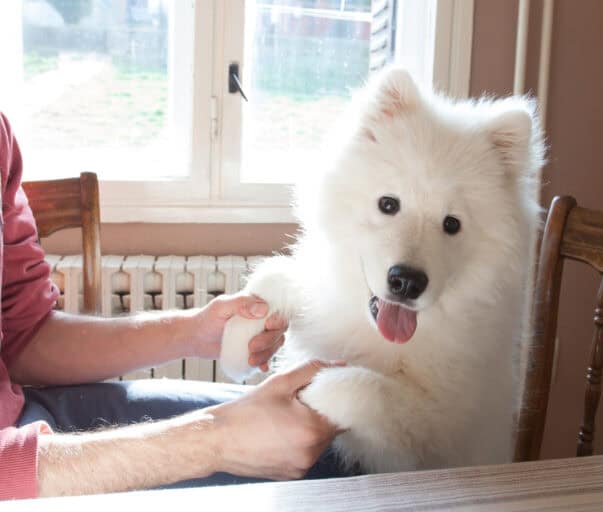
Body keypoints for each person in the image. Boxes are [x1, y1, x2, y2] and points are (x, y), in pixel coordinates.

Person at [0, 112, 345, 499]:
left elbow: (23, 336)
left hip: (24, 418)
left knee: (336, 451)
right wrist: (213, 441)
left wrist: (194, 332)